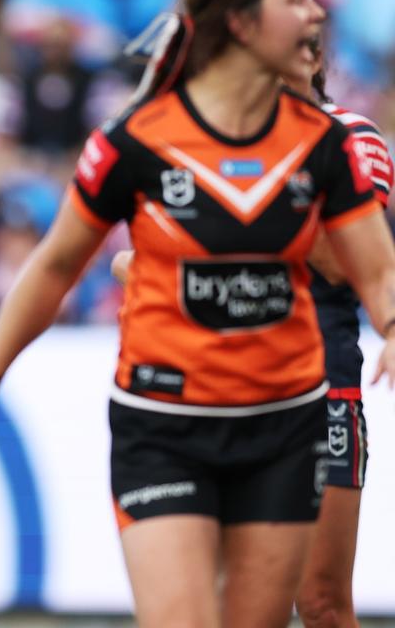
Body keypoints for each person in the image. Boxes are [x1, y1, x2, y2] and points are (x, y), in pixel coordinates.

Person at [0, 0, 395, 627]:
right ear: (239, 23)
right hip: (167, 418)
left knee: (323, 607)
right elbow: (59, 264)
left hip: (295, 410)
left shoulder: (340, 142)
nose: (317, 18)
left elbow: (357, 266)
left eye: (316, 0)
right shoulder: (137, 141)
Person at [109, 41, 394, 628]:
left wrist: (240, 210)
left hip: (320, 389)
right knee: (212, 601)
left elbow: (346, 261)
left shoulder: (351, 137)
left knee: (321, 601)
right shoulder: (208, 138)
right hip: (212, 392)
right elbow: (133, 259)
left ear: (315, 61)